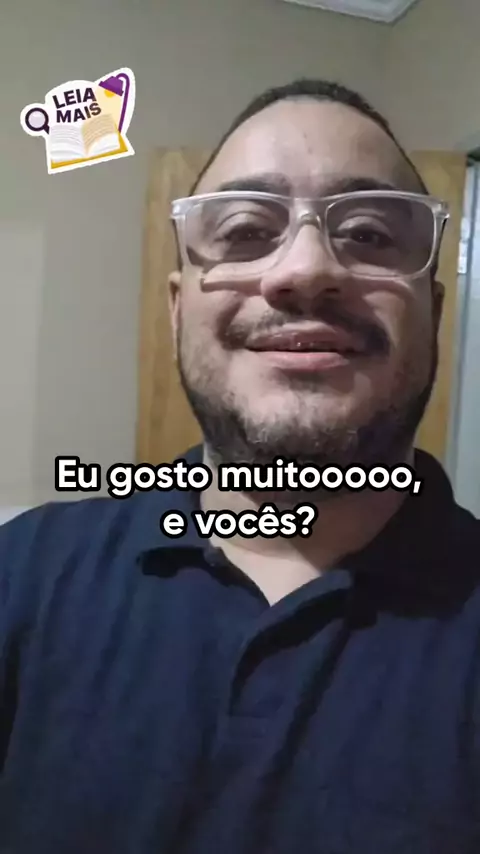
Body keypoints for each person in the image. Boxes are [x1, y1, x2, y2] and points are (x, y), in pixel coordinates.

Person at [1, 78, 479, 854]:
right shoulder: (20, 575)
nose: (305, 269)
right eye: (247, 229)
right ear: (177, 308)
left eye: (367, 233)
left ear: (434, 310)